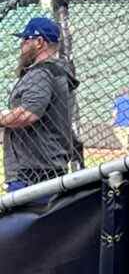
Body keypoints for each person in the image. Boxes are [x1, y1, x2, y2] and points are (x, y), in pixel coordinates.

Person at [1, 17, 77, 192]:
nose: (21, 45)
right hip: (45, 167)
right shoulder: (56, 71)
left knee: (23, 218)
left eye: (25, 39)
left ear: (39, 42)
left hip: (33, 172)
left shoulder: (42, 72)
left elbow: (27, 114)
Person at [112, 87, 129, 155]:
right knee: (125, 136)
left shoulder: (117, 100)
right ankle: (124, 148)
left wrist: (113, 120)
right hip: (128, 122)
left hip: (119, 122)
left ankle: (125, 146)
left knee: (117, 132)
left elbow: (114, 113)